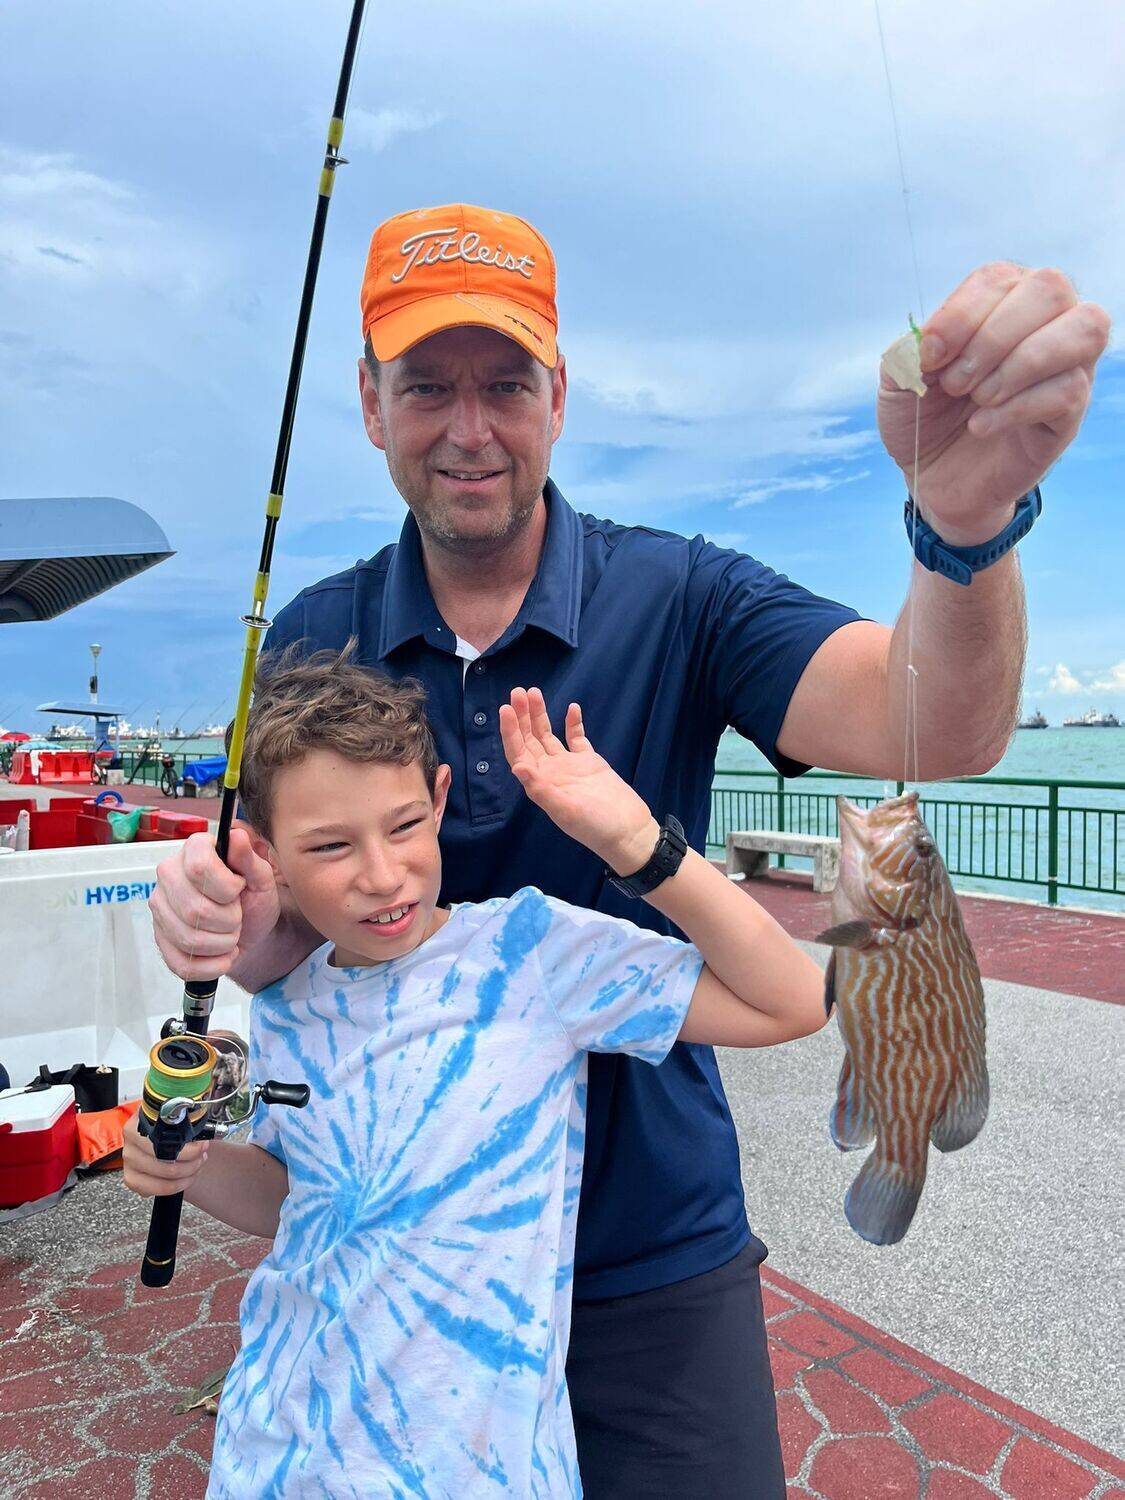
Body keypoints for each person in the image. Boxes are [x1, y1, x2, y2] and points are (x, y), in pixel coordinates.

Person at [149, 203, 1109, 1496]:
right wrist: (221, 920)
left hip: (655, 1244)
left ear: (561, 395)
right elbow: (285, 948)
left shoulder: (685, 593)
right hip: (395, 1249)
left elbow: (934, 724)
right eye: (427, 385)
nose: (471, 427)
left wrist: (963, 525)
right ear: (371, 407)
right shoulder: (316, 636)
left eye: (507, 384)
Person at [126, 648, 828, 1497]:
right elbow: (302, 1198)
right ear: (267, 857)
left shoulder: (530, 952)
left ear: (441, 801)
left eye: (405, 826)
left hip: (486, 1468)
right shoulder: (287, 997)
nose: (382, 874)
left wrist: (636, 843)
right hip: (280, 1446)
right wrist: (187, 1165)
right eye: (330, 845)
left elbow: (792, 1001)